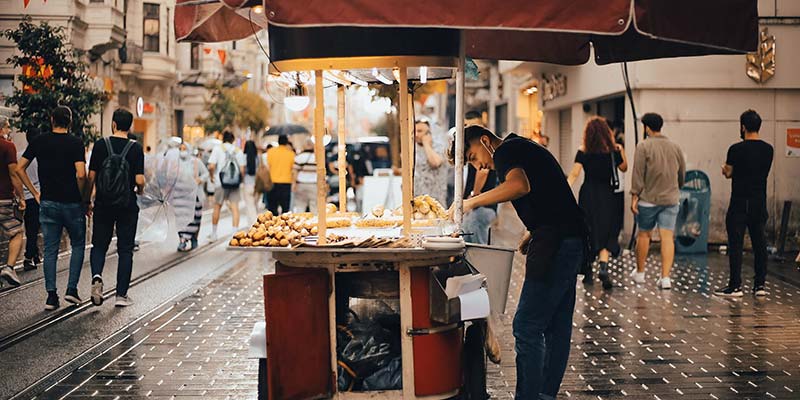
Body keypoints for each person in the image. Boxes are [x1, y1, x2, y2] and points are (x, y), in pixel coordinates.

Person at [449, 125, 587, 400]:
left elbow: (519, 186)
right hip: (570, 238)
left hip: (556, 244)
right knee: (557, 327)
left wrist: (471, 202)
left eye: (474, 157)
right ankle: (545, 395)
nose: (478, 166)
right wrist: (532, 230)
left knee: (526, 326)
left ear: (485, 141)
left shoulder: (506, 151)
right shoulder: (523, 147)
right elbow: (550, 194)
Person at [18, 106, 88, 310]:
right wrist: (84, 198)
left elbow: (20, 168)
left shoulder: (39, 141)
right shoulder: (76, 143)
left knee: (50, 249)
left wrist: (35, 192)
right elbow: (81, 175)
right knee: (78, 245)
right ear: (70, 121)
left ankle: (51, 296)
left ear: (51, 120)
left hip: (47, 202)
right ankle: (72, 289)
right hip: (72, 203)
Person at [86, 108, 145, 307]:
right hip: (126, 205)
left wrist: (87, 200)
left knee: (99, 245)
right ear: (129, 127)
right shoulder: (135, 148)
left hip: (103, 204)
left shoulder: (101, 145)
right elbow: (139, 180)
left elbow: (91, 177)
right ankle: (121, 295)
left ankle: (96, 275)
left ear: (113, 124)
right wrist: (140, 189)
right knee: (125, 249)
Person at [715, 110, 773, 297]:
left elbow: (729, 172)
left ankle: (735, 286)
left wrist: (724, 169)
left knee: (736, 244)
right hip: (759, 202)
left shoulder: (736, 149)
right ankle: (760, 285)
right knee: (760, 244)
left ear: (743, 127)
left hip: (739, 202)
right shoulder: (768, 150)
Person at [567, 117, 628, 289]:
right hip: (607, 195)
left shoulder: (583, 150)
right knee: (606, 231)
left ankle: (587, 271)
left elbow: (574, 173)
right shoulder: (613, 151)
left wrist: (563, 189)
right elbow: (624, 168)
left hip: (588, 195)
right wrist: (621, 150)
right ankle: (603, 267)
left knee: (588, 230)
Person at [630, 113, 686, 290]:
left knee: (644, 235)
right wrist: (676, 187)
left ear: (646, 128)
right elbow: (682, 173)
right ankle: (666, 277)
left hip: (648, 199)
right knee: (667, 237)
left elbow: (638, 174)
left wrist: (634, 196)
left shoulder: (643, 146)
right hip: (671, 199)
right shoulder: (675, 147)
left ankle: (640, 273)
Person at [462, 111, 498, 245]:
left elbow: (483, 172)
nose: (468, 130)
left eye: (473, 126)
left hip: (483, 205)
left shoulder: (484, 149)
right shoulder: (470, 147)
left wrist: (473, 197)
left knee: (476, 238)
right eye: (466, 126)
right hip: (477, 204)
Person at [0, 116, 25, 287]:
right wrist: (21, 197)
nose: (9, 131)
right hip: (4, 199)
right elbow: (14, 174)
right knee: (16, 232)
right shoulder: (8, 147)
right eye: (8, 127)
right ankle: (9, 268)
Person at [207, 131, 246, 241]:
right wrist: (239, 181)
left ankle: (214, 233)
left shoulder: (217, 149)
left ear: (223, 139)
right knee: (235, 208)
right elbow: (242, 170)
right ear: (233, 140)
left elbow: (211, 166)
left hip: (220, 183)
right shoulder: (238, 151)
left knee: (217, 207)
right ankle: (234, 234)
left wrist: (212, 176)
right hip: (234, 184)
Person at [177, 142, 209, 252]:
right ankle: (182, 240)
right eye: (180, 149)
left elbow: (206, 173)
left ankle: (194, 238)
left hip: (196, 196)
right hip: (180, 196)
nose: (182, 151)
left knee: (195, 218)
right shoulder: (176, 162)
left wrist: (199, 179)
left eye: (184, 148)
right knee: (181, 218)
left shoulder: (196, 162)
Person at [18, 127, 42, 271]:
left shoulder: (19, 155)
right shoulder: (40, 157)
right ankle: (29, 256)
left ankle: (35, 253)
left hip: (22, 196)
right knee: (33, 228)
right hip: (36, 196)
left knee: (27, 228)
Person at [414, 120, 447, 206]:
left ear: (429, 133)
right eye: (414, 131)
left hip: (435, 198)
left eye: (420, 131)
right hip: (418, 198)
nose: (416, 134)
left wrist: (426, 144)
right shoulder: (413, 148)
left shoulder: (439, 146)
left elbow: (435, 162)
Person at [266, 135, 295, 215]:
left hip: (272, 183)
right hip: (286, 183)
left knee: (272, 208)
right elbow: (293, 169)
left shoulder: (271, 152)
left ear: (278, 142)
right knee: (285, 209)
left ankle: (273, 222)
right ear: (286, 143)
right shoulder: (291, 154)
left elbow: (268, 166)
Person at [292, 138, 318, 213]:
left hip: (301, 184)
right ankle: (314, 220)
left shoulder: (299, 157)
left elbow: (294, 172)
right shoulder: (317, 158)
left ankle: (300, 220)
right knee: (314, 206)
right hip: (314, 185)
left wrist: (294, 183)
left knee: (300, 206)